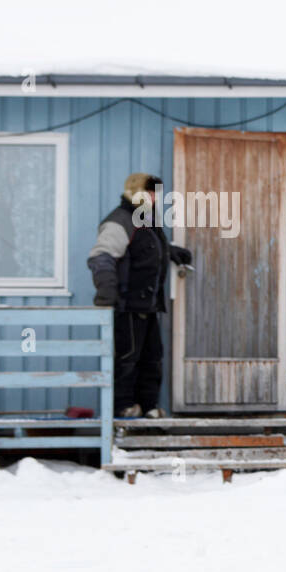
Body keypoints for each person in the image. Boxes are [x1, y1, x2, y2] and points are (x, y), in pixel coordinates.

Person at [87, 173, 192, 419]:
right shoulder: (120, 220)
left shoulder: (146, 219)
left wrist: (170, 252)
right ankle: (123, 408)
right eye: (149, 192)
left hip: (149, 304)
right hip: (127, 303)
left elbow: (144, 250)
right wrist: (106, 291)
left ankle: (147, 406)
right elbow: (101, 256)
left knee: (152, 357)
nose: (154, 197)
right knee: (127, 357)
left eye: (156, 193)